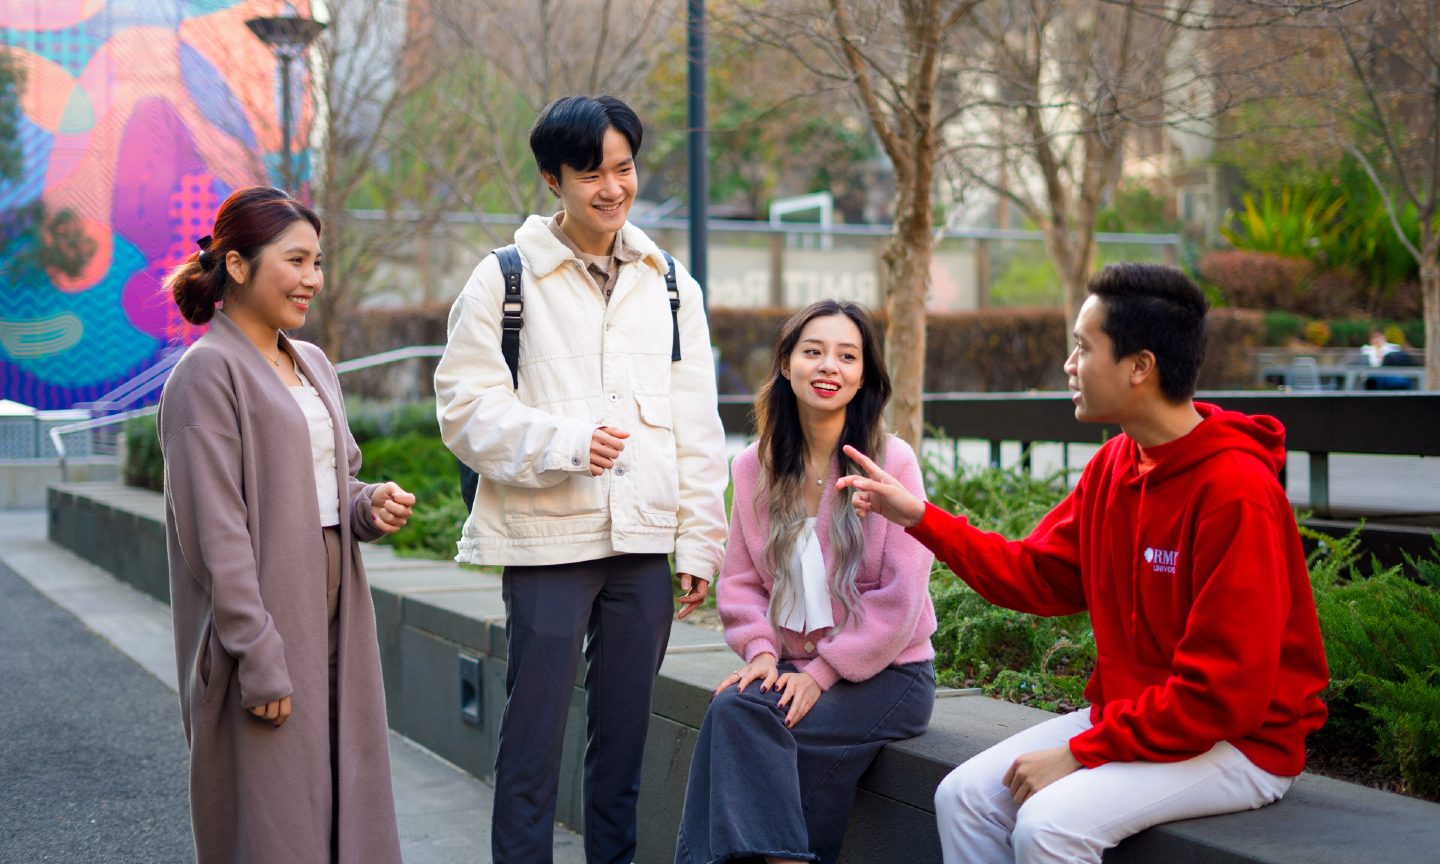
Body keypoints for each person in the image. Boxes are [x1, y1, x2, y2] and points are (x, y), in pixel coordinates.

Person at [837, 263, 1329, 864]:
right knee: (963, 796)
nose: (1069, 366)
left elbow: (1221, 696)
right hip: (1137, 720)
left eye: (1082, 347)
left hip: (1241, 743)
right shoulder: (1116, 464)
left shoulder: (1237, 492)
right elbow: (1037, 576)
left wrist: (1081, 752)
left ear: (1140, 367)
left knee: (1048, 826)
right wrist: (920, 517)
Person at [433, 94, 728, 864]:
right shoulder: (503, 279)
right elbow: (462, 410)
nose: (612, 187)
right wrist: (567, 442)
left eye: (624, 168)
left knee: (622, 751)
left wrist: (699, 539)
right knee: (530, 750)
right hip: (545, 542)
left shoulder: (671, 285)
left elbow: (698, 424)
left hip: (641, 544)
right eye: (590, 172)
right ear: (551, 180)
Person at [158, 186, 416, 864]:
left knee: (344, 798)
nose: (312, 280)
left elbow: (332, 482)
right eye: (296, 261)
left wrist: (368, 504)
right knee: (276, 824)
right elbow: (216, 536)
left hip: (337, 616)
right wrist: (258, 657)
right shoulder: (205, 375)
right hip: (264, 627)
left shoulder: (312, 364)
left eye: (318, 262)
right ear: (237, 266)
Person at [675, 300, 937, 864]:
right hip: (792, 668)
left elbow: (901, 599)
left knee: (739, 719)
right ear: (787, 364)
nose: (829, 367)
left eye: (847, 356)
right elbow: (742, 580)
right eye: (813, 352)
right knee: (739, 710)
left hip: (889, 677)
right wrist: (762, 653)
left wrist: (820, 673)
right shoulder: (753, 467)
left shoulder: (890, 462)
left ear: (864, 374)